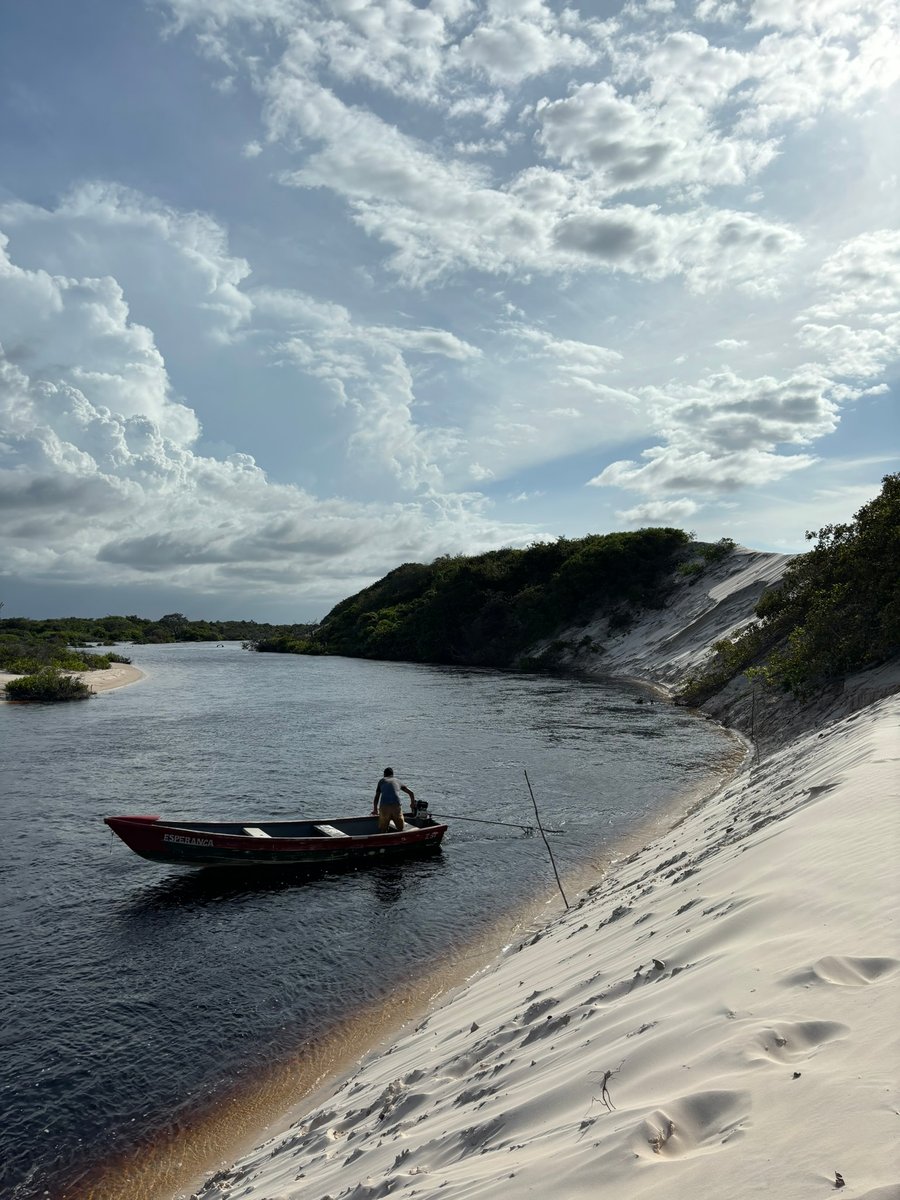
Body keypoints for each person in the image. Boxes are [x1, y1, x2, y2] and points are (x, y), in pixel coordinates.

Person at [372, 767, 415, 833]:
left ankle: (384, 837)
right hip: (396, 806)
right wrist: (412, 804)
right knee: (400, 829)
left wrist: (375, 809)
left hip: (384, 807)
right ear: (392, 774)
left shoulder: (381, 781)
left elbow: (377, 796)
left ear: (384, 774)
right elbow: (411, 793)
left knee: (383, 830)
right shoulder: (397, 781)